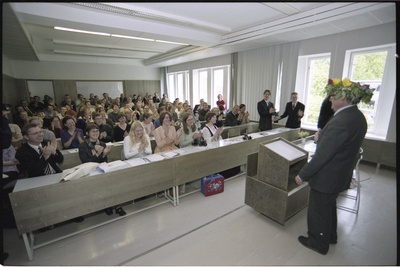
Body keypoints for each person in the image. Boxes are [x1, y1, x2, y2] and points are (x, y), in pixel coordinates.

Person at [295, 78, 372, 255]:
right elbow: (340, 145)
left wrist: (302, 175)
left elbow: (324, 155)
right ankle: (330, 235)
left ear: (344, 98)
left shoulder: (341, 121)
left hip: (328, 175)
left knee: (318, 209)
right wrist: (323, 138)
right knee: (328, 206)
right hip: (340, 173)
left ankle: (317, 242)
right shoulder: (357, 117)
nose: (330, 99)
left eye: (333, 96)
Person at [78, 124, 125, 216]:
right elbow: (85, 162)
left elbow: (104, 160)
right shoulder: (83, 146)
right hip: (90, 170)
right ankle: (106, 206)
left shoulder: (102, 144)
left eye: (97, 131)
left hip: (102, 168)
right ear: (87, 133)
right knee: (102, 186)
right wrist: (98, 154)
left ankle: (117, 206)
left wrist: (103, 155)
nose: (95, 133)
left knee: (113, 183)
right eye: (93, 131)